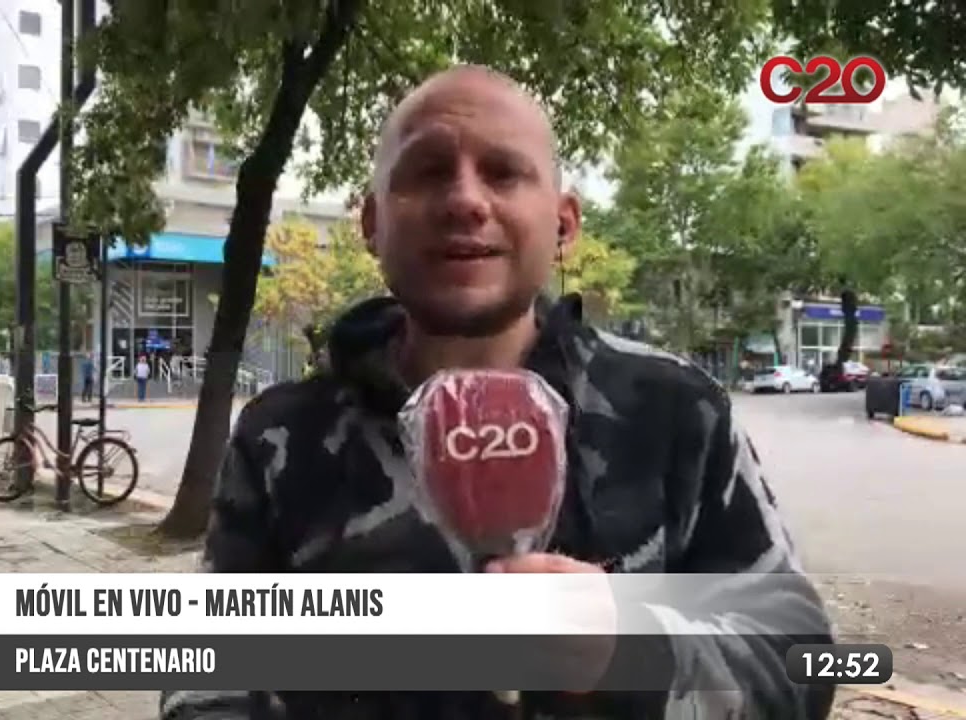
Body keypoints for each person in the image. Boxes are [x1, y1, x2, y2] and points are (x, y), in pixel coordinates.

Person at [162, 66, 833, 719]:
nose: (465, 200)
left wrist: (630, 651)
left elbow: (804, 663)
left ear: (564, 222)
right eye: (427, 172)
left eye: (504, 172)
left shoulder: (677, 412)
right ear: (371, 223)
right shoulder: (281, 438)